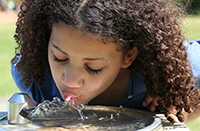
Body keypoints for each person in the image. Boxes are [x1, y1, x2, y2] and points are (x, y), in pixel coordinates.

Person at [11, 0, 200, 122]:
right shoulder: (35, 77)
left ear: (128, 56)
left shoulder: (159, 72)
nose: (70, 80)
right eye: (59, 58)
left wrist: (186, 103)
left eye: (93, 67)